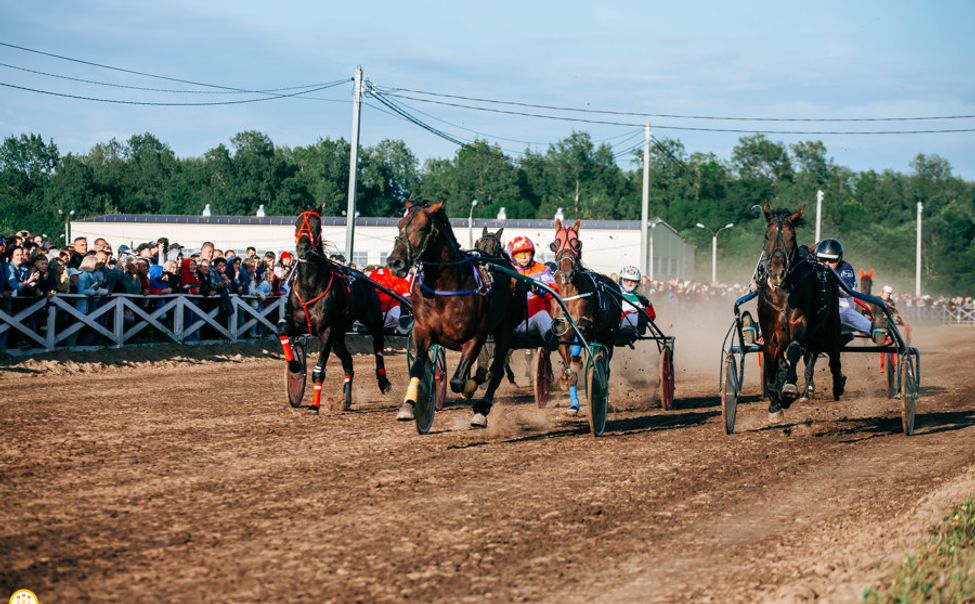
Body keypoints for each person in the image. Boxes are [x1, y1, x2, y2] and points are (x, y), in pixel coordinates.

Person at [813, 239, 883, 343]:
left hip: (841, 313)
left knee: (843, 313)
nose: (826, 263)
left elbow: (846, 291)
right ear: (816, 257)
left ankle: (874, 330)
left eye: (831, 260)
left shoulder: (845, 269)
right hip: (817, 312)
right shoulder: (811, 265)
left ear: (839, 259)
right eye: (822, 259)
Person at [508, 236, 559, 350]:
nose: (525, 257)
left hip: (532, 324)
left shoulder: (542, 269)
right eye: (520, 254)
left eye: (527, 252)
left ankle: (552, 339)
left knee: (542, 316)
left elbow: (552, 291)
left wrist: (533, 288)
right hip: (510, 324)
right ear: (513, 256)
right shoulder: (507, 270)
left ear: (532, 253)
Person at [368, 265, 412, 333]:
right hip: (390, 311)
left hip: (373, 313)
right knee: (405, 324)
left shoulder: (374, 273)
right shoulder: (396, 275)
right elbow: (406, 297)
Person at [616, 265, 655, 334]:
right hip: (614, 323)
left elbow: (652, 316)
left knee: (633, 316)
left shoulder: (640, 298)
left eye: (633, 281)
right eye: (626, 280)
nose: (629, 284)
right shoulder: (614, 292)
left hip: (633, 327)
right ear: (621, 280)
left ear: (637, 283)